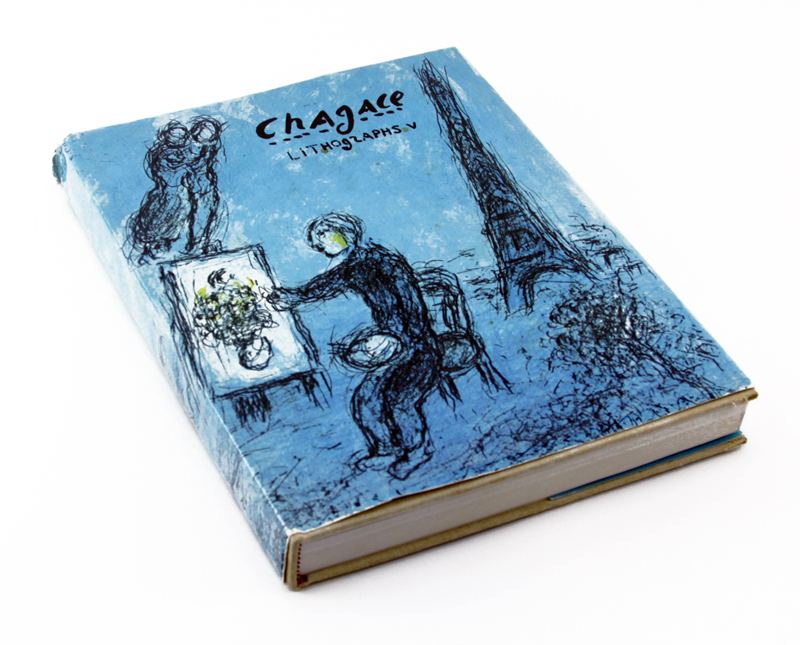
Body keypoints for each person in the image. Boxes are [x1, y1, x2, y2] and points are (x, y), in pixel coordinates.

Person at [268, 213, 442, 480]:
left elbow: (409, 304)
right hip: (395, 343)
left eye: (323, 235)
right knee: (366, 400)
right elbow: (328, 282)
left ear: (344, 232)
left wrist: (401, 339)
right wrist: (295, 296)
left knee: (398, 402)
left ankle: (417, 450)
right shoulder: (356, 264)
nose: (320, 244)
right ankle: (386, 449)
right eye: (317, 240)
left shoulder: (376, 261)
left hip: (417, 346)